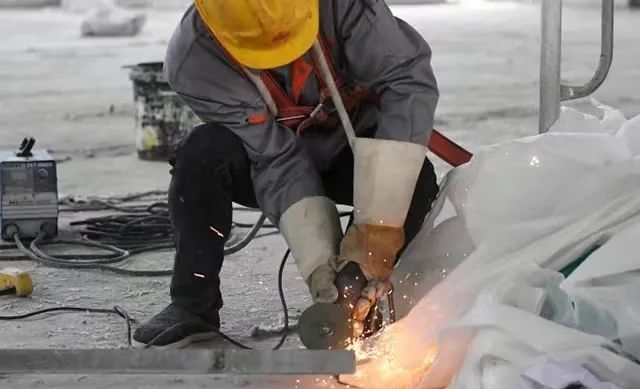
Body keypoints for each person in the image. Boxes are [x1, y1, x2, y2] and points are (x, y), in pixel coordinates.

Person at [133, 0, 440, 348]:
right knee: (202, 153)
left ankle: (365, 299)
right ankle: (192, 303)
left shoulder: (344, 6)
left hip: (353, 148)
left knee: (415, 180)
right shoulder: (195, 59)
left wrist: (373, 238)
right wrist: (319, 263)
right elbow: (275, 157)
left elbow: (406, 81)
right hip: (265, 162)